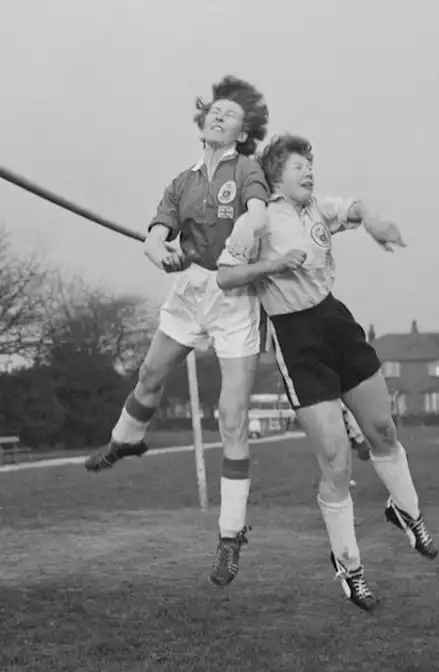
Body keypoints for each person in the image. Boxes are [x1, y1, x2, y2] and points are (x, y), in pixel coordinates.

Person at [215, 133, 438, 613]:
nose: (308, 173)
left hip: (336, 322)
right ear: (275, 175)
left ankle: (405, 512)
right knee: (336, 462)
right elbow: (225, 275)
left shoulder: (317, 207)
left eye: (310, 166)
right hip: (297, 341)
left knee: (382, 428)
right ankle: (350, 568)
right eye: (298, 167)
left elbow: (357, 206)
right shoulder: (255, 221)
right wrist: (271, 264)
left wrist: (374, 221)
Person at [83, 75, 272, 587]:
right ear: (202, 121)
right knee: (148, 375)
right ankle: (128, 440)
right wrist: (159, 252)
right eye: (214, 111)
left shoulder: (248, 169)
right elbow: (154, 238)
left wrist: (243, 237)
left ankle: (230, 537)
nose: (219, 117)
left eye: (231, 115)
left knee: (231, 420)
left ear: (242, 131)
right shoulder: (181, 181)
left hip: (234, 298)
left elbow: (256, 215)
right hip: (190, 291)